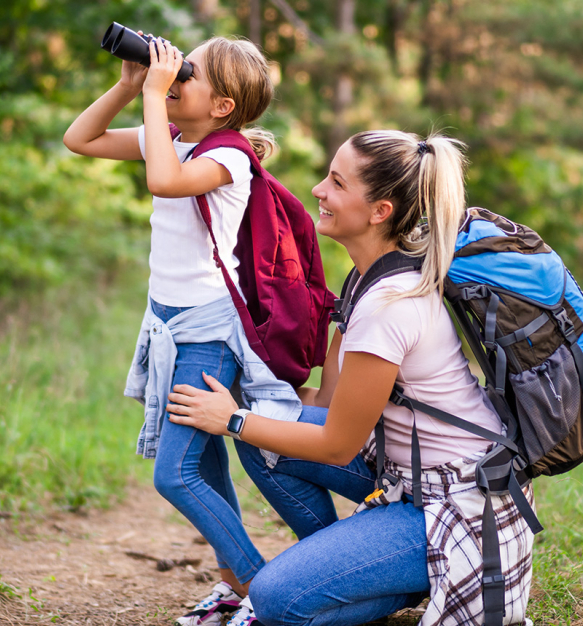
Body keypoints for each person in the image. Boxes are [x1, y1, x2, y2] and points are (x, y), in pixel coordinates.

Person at [167, 130, 536, 626]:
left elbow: (338, 445)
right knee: (269, 433)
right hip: (405, 477)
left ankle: (359, 576)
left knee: (277, 601)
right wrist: (254, 391)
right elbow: (328, 402)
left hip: (456, 506)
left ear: (380, 210)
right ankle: (349, 572)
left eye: (336, 183)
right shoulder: (366, 279)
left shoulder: (389, 307)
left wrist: (232, 421)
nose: (318, 190)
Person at [64, 35, 302, 626]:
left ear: (222, 107)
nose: (170, 80)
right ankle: (233, 586)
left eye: (183, 76)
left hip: (208, 331)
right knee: (209, 467)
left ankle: (260, 590)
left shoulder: (229, 158)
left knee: (175, 473)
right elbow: (80, 139)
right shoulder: (171, 138)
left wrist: (151, 93)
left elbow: (164, 182)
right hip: (168, 326)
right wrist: (128, 85)